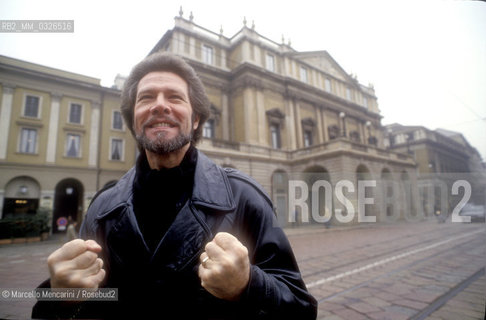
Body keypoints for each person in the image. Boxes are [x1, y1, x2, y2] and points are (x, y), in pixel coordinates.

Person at [32, 52, 317, 319]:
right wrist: (61, 297)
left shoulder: (244, 196)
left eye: (174, 97)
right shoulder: (102, 207)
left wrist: (249, 284)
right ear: (134, 119)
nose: (159, 104)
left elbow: (302, 307)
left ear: (195, 120)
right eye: (146, 98)